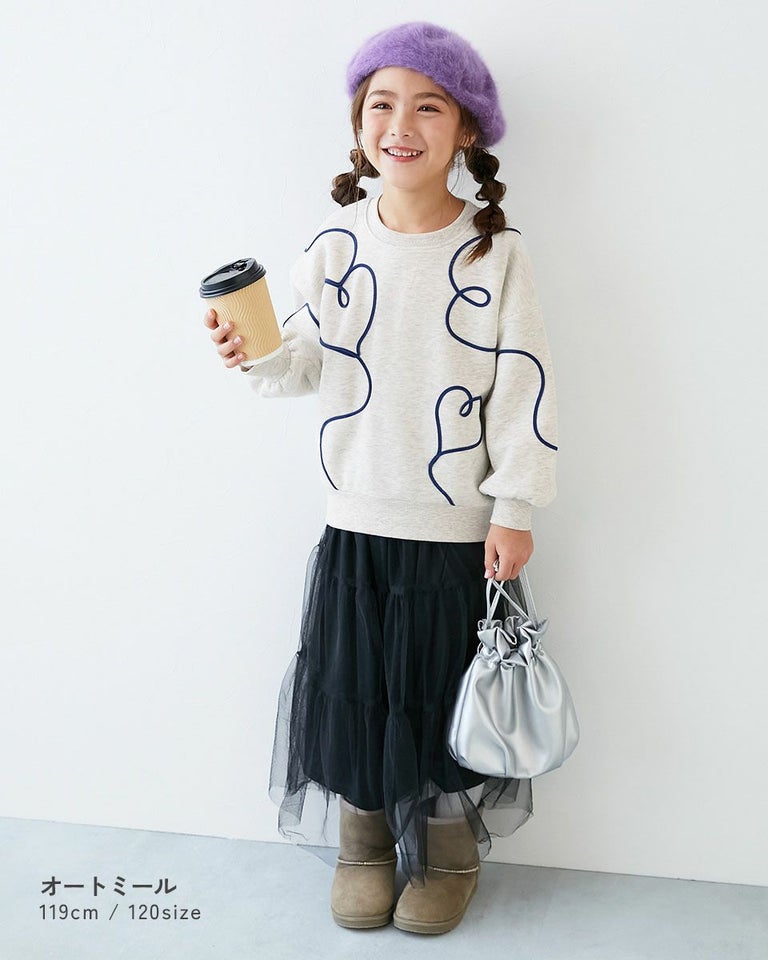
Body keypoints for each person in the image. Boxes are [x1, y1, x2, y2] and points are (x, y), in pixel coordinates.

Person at [202, 20, 559, 936]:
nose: (401, 124)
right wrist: (251, 351)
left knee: (442, 698)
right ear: (360, 123)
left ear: (466, 129)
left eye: (428, 107)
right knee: (354, 694)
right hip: (356, 523)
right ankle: (363, 845)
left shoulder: (495, 253)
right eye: (382, 104)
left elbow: (523, 388)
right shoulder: (335, 246)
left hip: (455, 532)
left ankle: (448, 851)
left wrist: (515, 507)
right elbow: (302, 363)